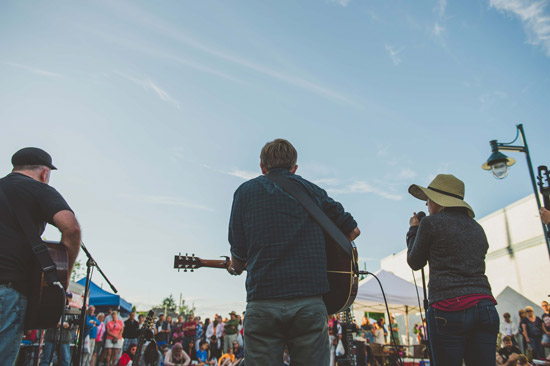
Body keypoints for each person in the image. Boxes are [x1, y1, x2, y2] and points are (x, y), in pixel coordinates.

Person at [227, 138, 360, 366]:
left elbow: (238, 255)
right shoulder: (313, 191)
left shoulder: (244, 193)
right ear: (295, 168)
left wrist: (234, 268)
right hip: (309, 301)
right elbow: (353, 231)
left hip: (263, 302)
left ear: (262, 167)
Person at [406, 174, 499, 365]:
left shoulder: (430, 223)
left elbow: (415, 262)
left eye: (429, 200)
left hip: (448, 307)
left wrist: (413, 230)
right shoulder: (477, 228)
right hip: (485, 305)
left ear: (438, 202)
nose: (427, 205)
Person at [0, 147, 81, 364]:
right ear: (45, 173)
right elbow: (71, 229)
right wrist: (64, 277)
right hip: (8, 289)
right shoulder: (40, 189)